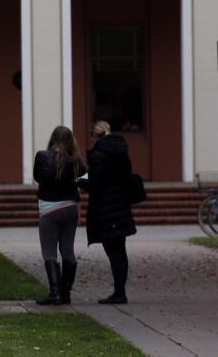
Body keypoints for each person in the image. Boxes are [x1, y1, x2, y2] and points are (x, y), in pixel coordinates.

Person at [78, 119, 137, 304]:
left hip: (105, 207)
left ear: (95, 134)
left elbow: (96, 184)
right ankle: (121, 290)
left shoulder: (99, 154)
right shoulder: (122, 151)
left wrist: (79, 181)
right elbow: (126, 176)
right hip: (121, 204)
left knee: (112, 251)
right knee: (121, 249)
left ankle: (119, 293)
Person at [33, 126, 86, 305]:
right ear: (71, 140)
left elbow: (37, 178)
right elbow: (85, 176)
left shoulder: (42, 156)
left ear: (53, 138)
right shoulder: (74, 160)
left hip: (49, 209)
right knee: (68, 250)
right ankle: (66, 292)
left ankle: (55, 292)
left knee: (49, 252)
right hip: (70, 208)